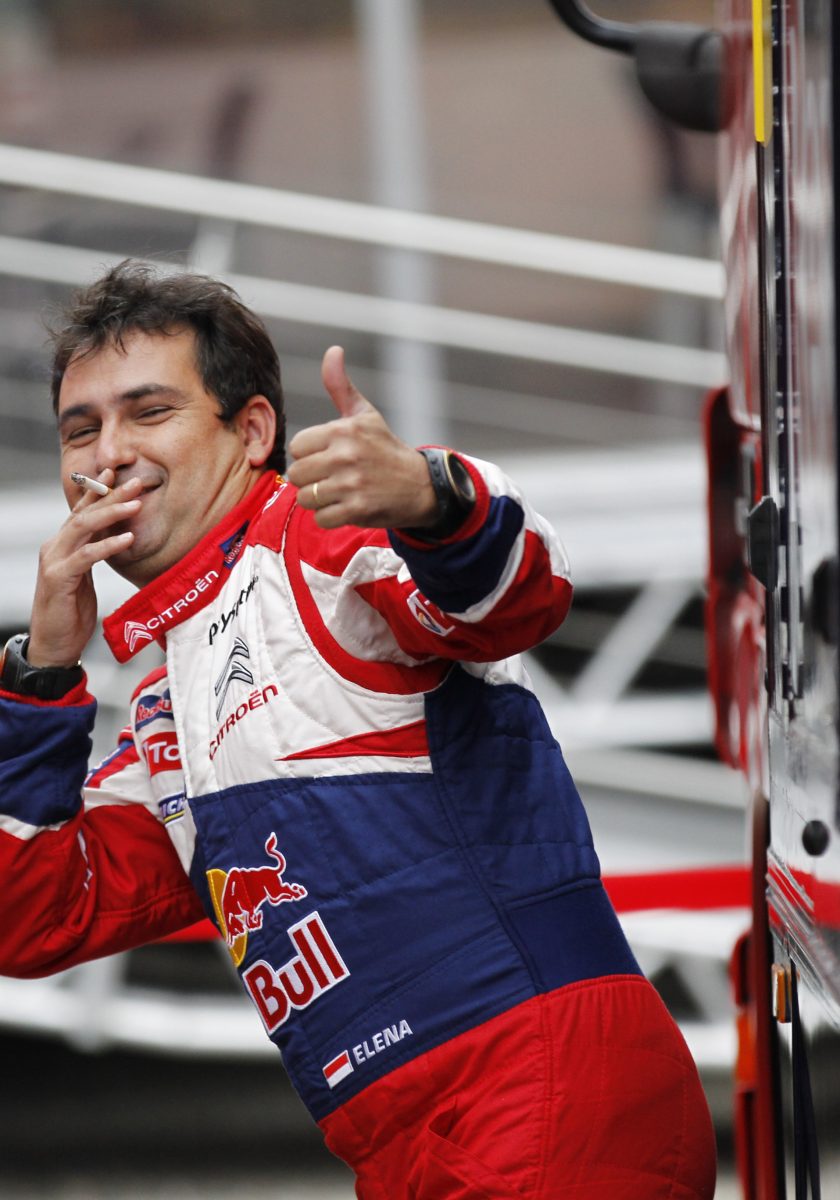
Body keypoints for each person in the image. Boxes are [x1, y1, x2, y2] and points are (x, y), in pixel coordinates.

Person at [0, 261, 716, 1199]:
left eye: (149, 412)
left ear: (253, 431)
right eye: (80, 430)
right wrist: (40, 674)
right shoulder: (169, 705)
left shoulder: (319, 538)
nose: (108, 454)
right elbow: (32, 916)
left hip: (534, 1094)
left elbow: (522, 598)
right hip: (412, 1142)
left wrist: (431, 497)